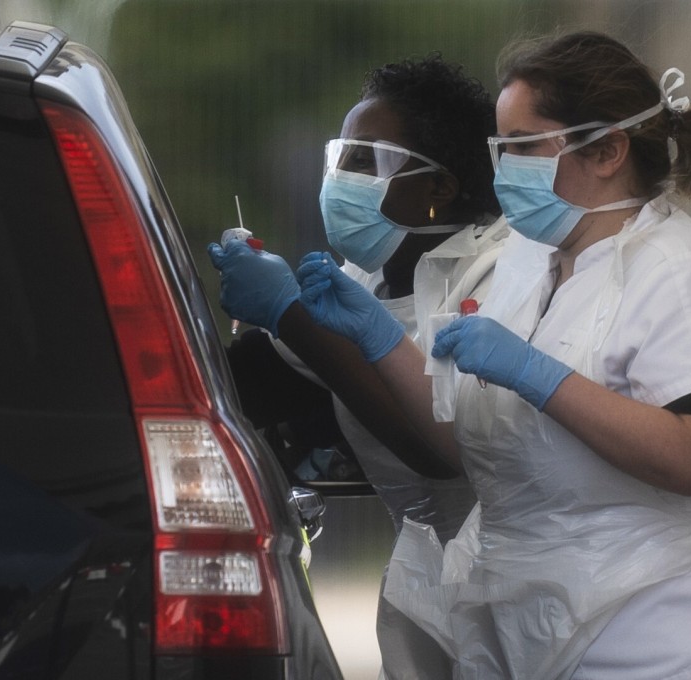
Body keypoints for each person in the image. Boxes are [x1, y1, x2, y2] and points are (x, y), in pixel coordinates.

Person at [292, 31, 691, 680]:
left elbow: (687, 456)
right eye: (499, 148)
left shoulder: (681, 271)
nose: (504, 170)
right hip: (544, 639)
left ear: (609, 149)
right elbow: (456, 447)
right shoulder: (528, 261)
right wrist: (375, 338)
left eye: (525, 147)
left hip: (673, 643)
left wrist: (537, 375)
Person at [209, 55, 507, 679]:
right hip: (426, 583)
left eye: (366, 162)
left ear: (439, 188)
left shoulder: (497, 279)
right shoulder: (364, 278)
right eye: (340, 157)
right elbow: (244, 388)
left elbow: (442, 449)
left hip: (513, 585)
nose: (340, 179)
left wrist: (292, 317)